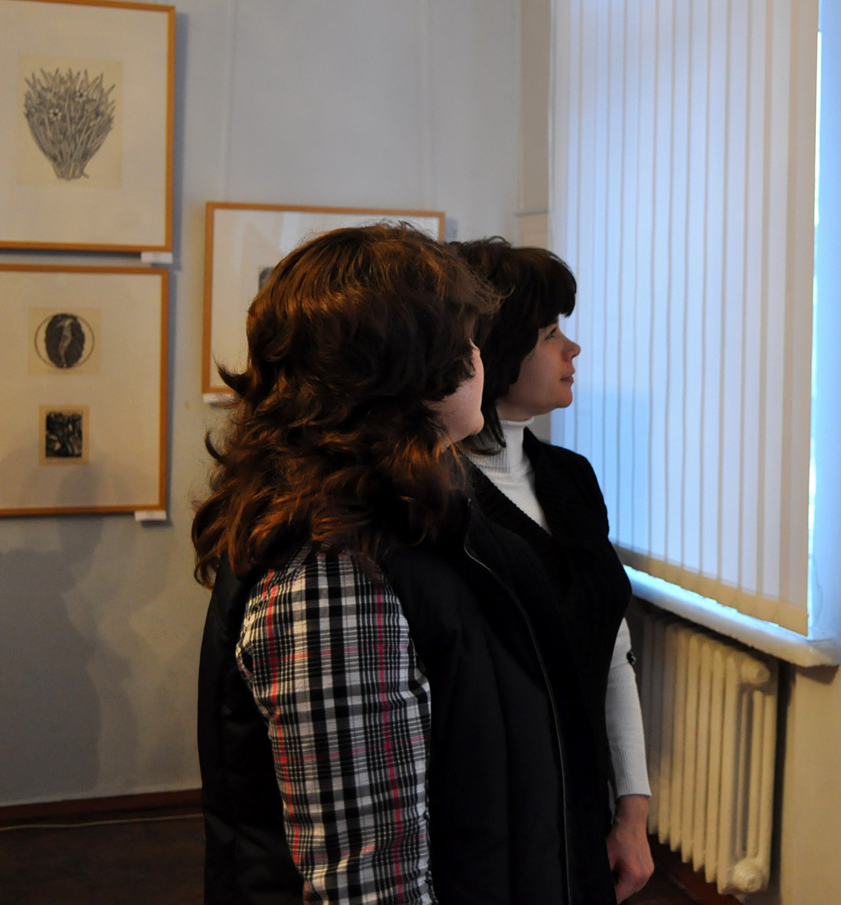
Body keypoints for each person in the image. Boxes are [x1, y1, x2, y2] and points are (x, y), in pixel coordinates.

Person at [194, 223, 616, 904]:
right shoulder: (335, 572)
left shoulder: (418, 521)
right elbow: (370, 882)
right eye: (467, 340)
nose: (479, 358)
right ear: (410, 368)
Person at [454, 239, 654, 903]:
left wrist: (632, 811)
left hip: (582, 801)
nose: (572, 349)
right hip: (491, 828)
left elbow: (611, 650)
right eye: (549, 334)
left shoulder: (571, 477)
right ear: (495, 351)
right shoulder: (438, 499)